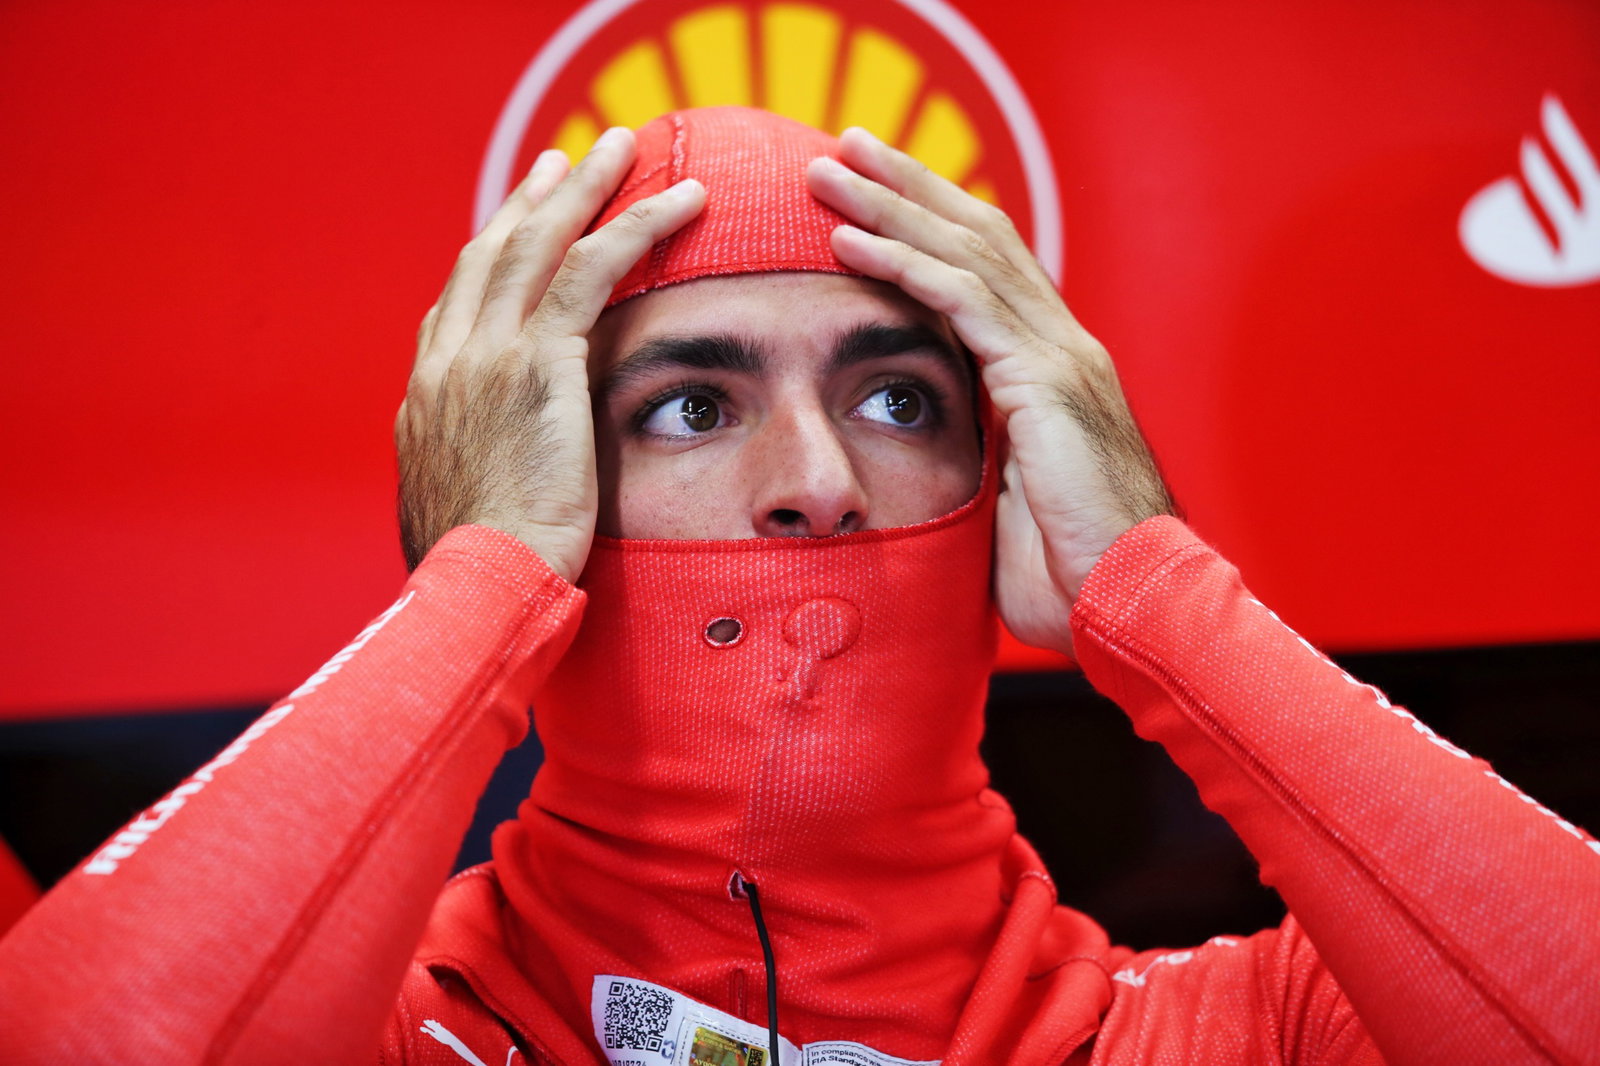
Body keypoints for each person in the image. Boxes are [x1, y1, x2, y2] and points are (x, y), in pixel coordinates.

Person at [0, 106, 1596, 1066]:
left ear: (1006, 482)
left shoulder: (1248, 1028)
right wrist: (474, 588)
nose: (820, 477)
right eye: (689, 402)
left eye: (902, 396)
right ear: (541, 485)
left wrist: (1160, 596)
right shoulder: (382, 1026)